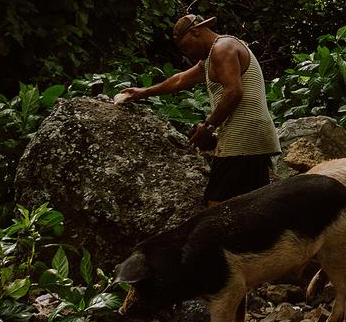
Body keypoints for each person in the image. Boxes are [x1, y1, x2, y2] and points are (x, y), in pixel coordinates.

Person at [118, 13, 281, 206]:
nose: (186, 53)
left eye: (185, 46)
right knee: (254, 206)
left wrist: (209, 126)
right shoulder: (212, 55)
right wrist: (142, 92)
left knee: (216, 207)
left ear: (195, 32)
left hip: (242, 138)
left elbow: (234, 92)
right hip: (252, 136)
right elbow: (179, 80)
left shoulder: (223, 49)